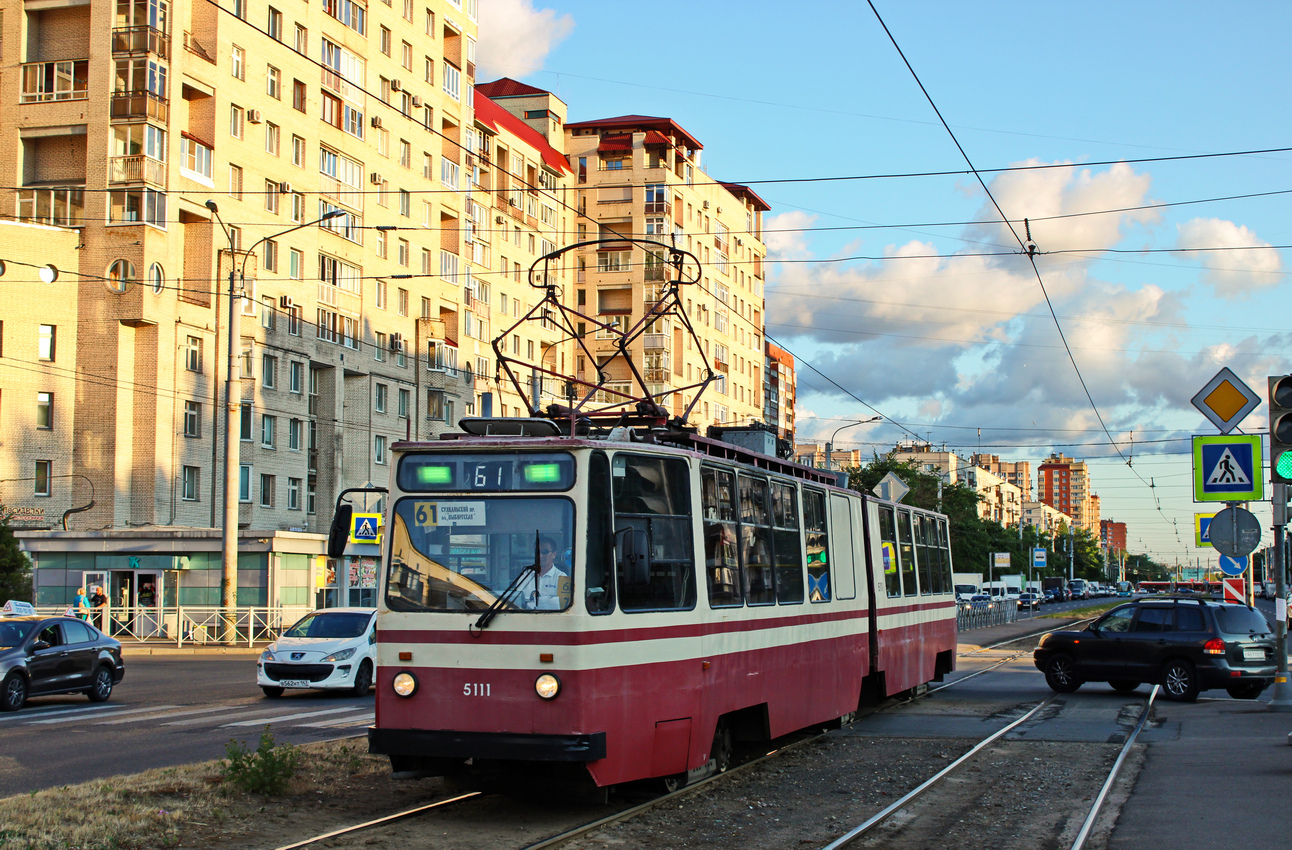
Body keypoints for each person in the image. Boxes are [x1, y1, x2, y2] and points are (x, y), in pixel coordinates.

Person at [517, 536, 570, 610]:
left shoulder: (561, 577)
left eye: (545, 552)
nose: (540, 556)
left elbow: (564, 606)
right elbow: (517, 599)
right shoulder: (526, 575)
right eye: (537, 552)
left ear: (554, 554)